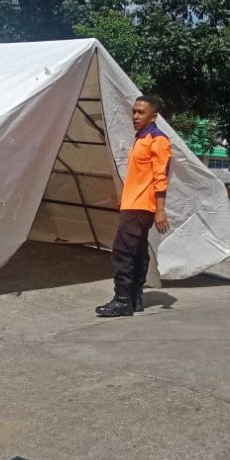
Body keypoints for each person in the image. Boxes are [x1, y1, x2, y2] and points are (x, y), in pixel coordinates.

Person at [95, 95, 172, 318]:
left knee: (122, 252)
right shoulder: (142, 138)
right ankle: (134, 299)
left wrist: (160, 209)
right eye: (134, 111)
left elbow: (161, 177)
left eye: (141, 112)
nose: (135, 116)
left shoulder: (158, 140)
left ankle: (121, 301)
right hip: (134, 203)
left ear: (153, 116)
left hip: (142, 207)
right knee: (138, 252)